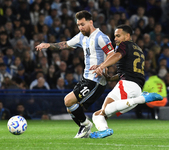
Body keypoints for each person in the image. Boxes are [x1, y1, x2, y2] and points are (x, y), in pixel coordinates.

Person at [35, 10, 114, 138]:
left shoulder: (101, 37)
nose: (80, 27)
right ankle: (85, 127)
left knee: (68, 100)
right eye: (78, 25)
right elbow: (65, 44)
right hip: (85, 78)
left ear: (91, 22)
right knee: (70, 107)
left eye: (82, 24)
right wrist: (48, 45)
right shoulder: (81, 36)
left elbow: (112, 54)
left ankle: (86, 125)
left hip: (96, 80)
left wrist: (102, 66)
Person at [88, 24, 163, 139]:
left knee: (105, 110)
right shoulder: (138, 49)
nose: (115, 39)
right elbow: (129, 71)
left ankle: (143, 98)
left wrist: (101, 66)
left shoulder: (124, 45)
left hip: (127, 84)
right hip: (136, 87)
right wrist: (110, 78)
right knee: (99, 114)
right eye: (115, 36)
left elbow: (117, 55)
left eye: (118, 36)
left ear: (127, 36)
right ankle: (104, 130)